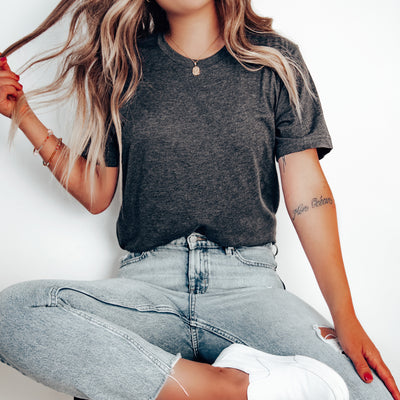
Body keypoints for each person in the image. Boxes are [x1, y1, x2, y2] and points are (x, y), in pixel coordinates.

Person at [0, 0, 399, 399]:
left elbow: (307, 195)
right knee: (12, 314)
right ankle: (225, 386)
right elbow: (96, 191)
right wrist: (22, 112)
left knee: (370, 395)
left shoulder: (276, 60)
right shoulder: (124, 66)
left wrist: (345, 319)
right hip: (149, 287)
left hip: (249, 288)